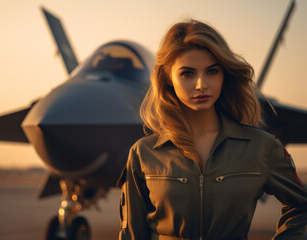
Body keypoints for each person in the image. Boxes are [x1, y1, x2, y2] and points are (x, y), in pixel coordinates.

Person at [117, 19, 307, 240]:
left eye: (212, 71)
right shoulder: (144, 153)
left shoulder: (262, 147)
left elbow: (301, 207)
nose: (201, 84)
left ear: (224, 75)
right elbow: (131, 233)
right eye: (187, 73)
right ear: (168, 78)